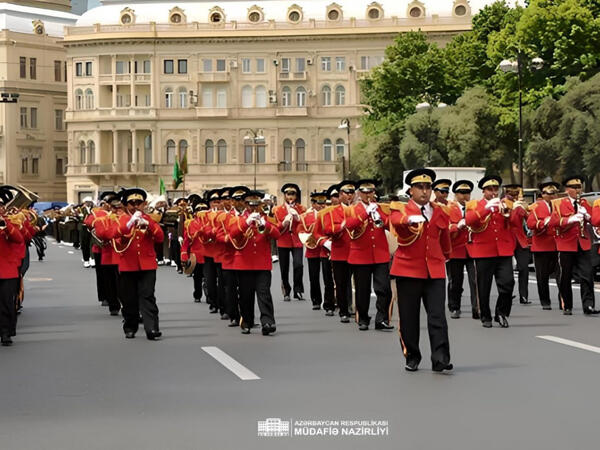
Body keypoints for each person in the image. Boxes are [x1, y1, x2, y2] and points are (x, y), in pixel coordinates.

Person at [389, 169, 452, 372]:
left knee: (437, 316)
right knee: (409, 317)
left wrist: (446, 255)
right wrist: (410, 220)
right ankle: (412, 355)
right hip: (408, 269)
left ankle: (440, 357)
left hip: (434, 269)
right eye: (420, 187)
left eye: (428, 187)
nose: (425, 191)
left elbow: (444, 237)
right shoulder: (401, 209)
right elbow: (396, 223)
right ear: (411, 190)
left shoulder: (440, 210)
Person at [465, 175, 516, 328]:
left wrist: (512, 210)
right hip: (483, 250)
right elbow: (470, 220)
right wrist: (486, 208)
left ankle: (501, 313)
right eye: (490, 189)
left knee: (508, 283)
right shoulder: (475, 205)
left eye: (496, 189)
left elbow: (514, 223)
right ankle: (485, 315)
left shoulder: (504, 204)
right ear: (483, 191)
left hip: (503, 250)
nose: (493, 192)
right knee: (483, 286)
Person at [114, 188, 164, 340]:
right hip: (128, 264)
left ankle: (152, 328)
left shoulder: (149, 219)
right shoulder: (121, 220)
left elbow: (160, 237)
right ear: (125, 205)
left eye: (139, 203)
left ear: (144, 204)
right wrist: (130, 224)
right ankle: (130, 326)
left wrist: (148, 224)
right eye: (131, 203)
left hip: (147, 264)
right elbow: (117, 237)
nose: (135, 206)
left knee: (147, 295)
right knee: (129, 299)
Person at [228, 190, 281, 335]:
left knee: (264, 293)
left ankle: (268, 321)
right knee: (246, 294)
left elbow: (277, 234)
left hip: (262, 262)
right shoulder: (238, 219)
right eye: (251, 204)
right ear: (245, 204)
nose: (254, 207)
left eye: (256, 204)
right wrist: (246, 223)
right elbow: (232, 233)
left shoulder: (266, 218)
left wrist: (265, 224)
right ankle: (246, 320)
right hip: (244, 263)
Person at [345, 179, 393, 331]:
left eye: (370, 192)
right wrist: (365, 213)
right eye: (364, 192)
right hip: (361, 255)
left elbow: (390, 224)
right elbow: (349, 225)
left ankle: (382, 319)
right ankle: (363, 318)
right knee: (362, 290)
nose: (367, 195)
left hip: (380, 254)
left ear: (374, 193)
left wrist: (378, 214)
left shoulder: (381, 208)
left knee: (384, 288)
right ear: (359, 193)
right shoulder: (352, 209)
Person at [552, 175, 599, 315]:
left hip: (583, 242)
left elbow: (594, 220)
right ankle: (567, 304)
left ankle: (588, 305)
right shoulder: (558, 203)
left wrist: (587, 216)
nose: (578, 190)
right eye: (575, 187)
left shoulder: (584, 203)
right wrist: (570, 219)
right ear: (567, 189)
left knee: (587, 274)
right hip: (566, 243)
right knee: (565, 276)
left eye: (580, 187)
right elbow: (554, 222)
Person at [321, 181, 354, 322]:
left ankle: (353, 307)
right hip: (340, 251)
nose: (349, 196)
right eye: (346, 193)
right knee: (341, 282)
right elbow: (327, 229)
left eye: (352, 193)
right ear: (340, 195)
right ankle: (343, 310)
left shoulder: (359, 209)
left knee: (357, 282)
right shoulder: (331, 211)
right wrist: (341, 226)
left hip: (357, 251)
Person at [526, 179, 561, 310]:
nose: (552, 195)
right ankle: (545, 301)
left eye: (554, 193)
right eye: (549, 192)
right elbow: (530, 224)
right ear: (543, 193)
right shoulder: (536, 206)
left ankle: (563, 300)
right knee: (542, 276)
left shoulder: (559, 205)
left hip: (558, 244)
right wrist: (543, 223)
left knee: (561, 275)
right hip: (542, 245)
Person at [447, 180, 478, 319]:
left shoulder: (475, 207)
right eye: (462, 193)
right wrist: (456, 226)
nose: (465, 196)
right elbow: (445, 228)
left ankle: (476, 308)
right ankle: (455, 307)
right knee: (456, 281)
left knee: (476, 280)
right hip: (456, 249)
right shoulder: (448, 208)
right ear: (456, 194)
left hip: (473, 248)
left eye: (467, 193)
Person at [0, 187, 25, 346]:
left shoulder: (10, 221)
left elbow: (18, 238)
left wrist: (6, 225)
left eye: (1, 206)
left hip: (7, 269)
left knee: (6, 302)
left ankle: (5, 332)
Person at [273, 183, 306, 301]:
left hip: (297, 240)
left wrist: (298, 218)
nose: (290, 196)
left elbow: (305, 225)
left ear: (296, 196)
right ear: (285, 196)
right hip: (283, 240)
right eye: (288, 194)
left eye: (293, 194)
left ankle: (298, 290)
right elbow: (275, 227)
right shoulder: (277, 210)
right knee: (284, 267)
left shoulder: (301, 209)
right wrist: (283, 223)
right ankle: (286, 290)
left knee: (298, 264)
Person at [298, 191, 328, 310]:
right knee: (314, 277)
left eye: (323, 203)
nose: (321, 205)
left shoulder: (328, 213)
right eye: (319, 203)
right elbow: (300, 230)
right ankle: (316, 300)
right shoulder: (305, 216)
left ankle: (328, 302)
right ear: (313, 203)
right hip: (312, 248)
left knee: (327, 277)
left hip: (326, 248)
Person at [503, 184, 531, 305]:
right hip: (507, 239)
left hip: (520, 239)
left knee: (524, 268)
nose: (515, 196)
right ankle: (506, 294)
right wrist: (515, 209)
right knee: (507, 271)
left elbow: (530, 221)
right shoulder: (503, 203)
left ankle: (523, 295)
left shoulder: (520, 204)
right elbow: (512, 221)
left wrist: (526, 210)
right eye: (512, 194)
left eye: (517, 194)